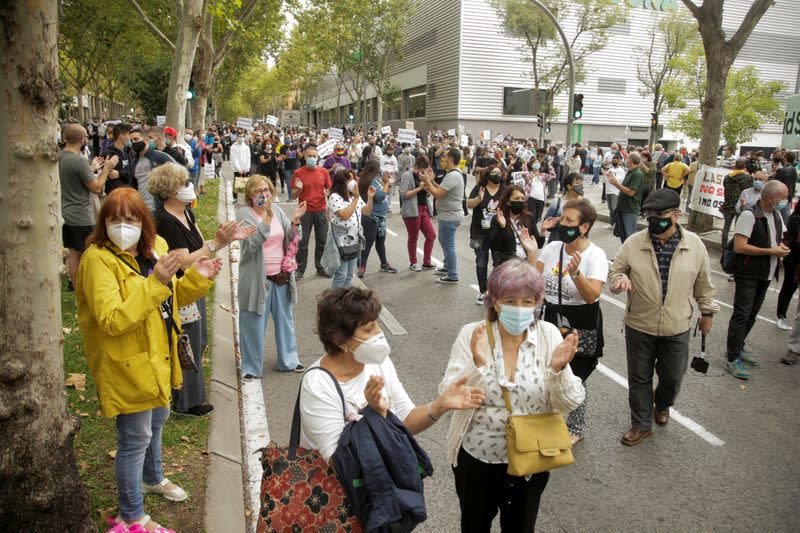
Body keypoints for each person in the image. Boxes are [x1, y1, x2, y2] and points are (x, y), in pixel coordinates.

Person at [76, 188, 220, 532]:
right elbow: (112, 318)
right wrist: (154, 281)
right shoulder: (97, 260)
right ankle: (132, 516)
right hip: (126, 364)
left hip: (160, 356)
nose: (123, 226)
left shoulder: (154, 249)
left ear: (144, 222)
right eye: (115, 219)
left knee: (158, 421)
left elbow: (170, 295)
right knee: (134, 438)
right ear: (103, 222)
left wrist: (200, 275)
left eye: (131, 219)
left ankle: (152, 478)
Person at [440, 259, 584, 532]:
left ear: (537, 303)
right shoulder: (472, 334)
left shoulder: (547, 335)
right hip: (477, 459)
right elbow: (448, 393)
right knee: (473, 526)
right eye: (510, 300)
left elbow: (572, 400)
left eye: (527, 301)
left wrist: (558, 369)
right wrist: (477, 364)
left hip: (531, 460)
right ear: (494, 301)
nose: (520, 309)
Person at [299, 286, 484, 466]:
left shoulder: (378, 362)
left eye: (377, 323)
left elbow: (406, 420)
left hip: (380, 486)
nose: (379, 333)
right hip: (340, 492)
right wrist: (377, 415)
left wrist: (440, 405)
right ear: (341, 341)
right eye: (369, 328)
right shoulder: (318, 385)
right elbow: (339, 463)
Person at [608, 189, 718, 446]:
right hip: (639, 323)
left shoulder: (695, 245)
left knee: (672, 378)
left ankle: (663, 404)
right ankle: (641, 424)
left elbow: (704, 284)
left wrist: (708, 312)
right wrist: (619, 281)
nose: (654, 220)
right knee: (639, 378)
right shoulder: (634, 243)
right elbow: (615, 273)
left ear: (676, 216)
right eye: (650, 215)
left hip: (677, 325)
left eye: (660, 215)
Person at [148, 162, 253, 414]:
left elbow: (199, 246)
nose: (190, 186)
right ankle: (186, 402)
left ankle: (183, 393)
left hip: (195, 284)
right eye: (184, 183)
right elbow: (182, 261)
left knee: (199, 340)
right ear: (170, 190)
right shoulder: (164, 221)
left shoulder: (186, 213)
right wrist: (218, 243)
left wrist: (224, 241)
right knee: (188, 342)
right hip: (181, 287)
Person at [536, 199, 606, 444]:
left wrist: (576, 274)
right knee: (549, 370)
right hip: (551, 318)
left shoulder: (595, 255)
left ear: (584, 227)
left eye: (568, 221)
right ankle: (547, 419)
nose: (562, 224)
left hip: (580, 321)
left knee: (576, 376)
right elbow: (534, 282)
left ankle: (574, 427)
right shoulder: (552, 248)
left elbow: (591, 295)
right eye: (562, 218)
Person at [238, 175, 308, 380]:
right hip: (256, 280)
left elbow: (292, 237)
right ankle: (250, 366)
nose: (263, 194)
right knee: (253, 323)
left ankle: (289, 360)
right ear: (250, 195)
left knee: (285, 321)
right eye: (258, 191)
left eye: (266, 189)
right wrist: (265, 221)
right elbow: (250, 247)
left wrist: (295, 220)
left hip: (281, 278)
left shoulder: (277, 211)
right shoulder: (245, 214)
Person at [725, 180, 789, 379]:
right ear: (771, 198)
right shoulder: (749, 214)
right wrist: (771, 251)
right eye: (783, 198)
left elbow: (778, 238)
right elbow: (740, 246)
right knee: (742, 314)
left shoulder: (776, 215)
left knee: (752, 314)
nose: (785, 202)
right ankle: (732, 357)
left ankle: (740, 345)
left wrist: (782, 248)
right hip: (749, 273)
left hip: (766, 273)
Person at [60, 123, 119, 284]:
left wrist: (91, 169)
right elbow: (96, 187)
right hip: (82, 216)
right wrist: (107, 168)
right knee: (90, 254)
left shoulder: (61, 157)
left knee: (73, 253)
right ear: (83, 139)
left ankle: (77, 287)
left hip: (66, 214)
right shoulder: (78, 160)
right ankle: (87, 287)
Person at [420, 147, 465, 284]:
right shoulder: (453, 174)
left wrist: (427, 181)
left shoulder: (453, 175)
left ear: (451, 159)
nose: (442, 159)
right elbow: (441, 189)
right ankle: (447, 267)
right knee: (445, 243)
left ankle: (452, 275)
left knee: (448, 245)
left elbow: (438, 194)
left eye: (444, 157)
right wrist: (432, 181)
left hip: (450, 216)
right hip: (448, 215)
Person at [291, 145, 332, 279]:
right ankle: (300, 270)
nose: (312, 158)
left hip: (320, 211)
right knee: (302, 242)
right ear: (304, 156)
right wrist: (299, 189)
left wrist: (328, 193)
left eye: (314, 156)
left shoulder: (324, 172)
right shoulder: (298, 172)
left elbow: (329, 189)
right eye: (309, 156)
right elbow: (293, 196)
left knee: (322, 241)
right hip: (305, 212)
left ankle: (320, 267)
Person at [329, 169, 375, 288]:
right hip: (341, 239)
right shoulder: (335, 197)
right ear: (341, 182)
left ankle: (344, 301)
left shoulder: (355, 196)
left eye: (353, 178)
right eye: (349, 179)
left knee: (350, 274)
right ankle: (333, 303)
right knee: (341, 274)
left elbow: (366, 211)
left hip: (354, 238)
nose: (353, 182)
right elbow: (344, 215)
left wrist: (370, 198)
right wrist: (355, 199)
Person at [467, 166, 505, 303]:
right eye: (494, 172)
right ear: (488, 175)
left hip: (499, 234)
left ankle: (493, 289)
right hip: (480, 233)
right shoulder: (480, 188)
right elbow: (469, 204)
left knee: (499, 265)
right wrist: (478, 199)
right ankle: (483, 291)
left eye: (500, 173)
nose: (497, 175)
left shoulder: (505, 190)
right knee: (481, 264)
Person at [487, 185, 544, 267]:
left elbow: (538, 244)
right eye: (516, 198)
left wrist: (543, 231)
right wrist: (502, 227)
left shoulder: (529, 218)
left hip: (526, 264)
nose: (520, 201)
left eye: (522, 198)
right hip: (507, 266)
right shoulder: (498, 218)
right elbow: (493, 246)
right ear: (508, 202)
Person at [356, 160, 396, 276]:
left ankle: (384, 263)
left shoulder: (376, 179)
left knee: (380, 241)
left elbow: (384, 192)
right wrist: (386, 183)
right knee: (368, 243)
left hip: (381, 216)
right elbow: (379, 196)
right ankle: (362, 267)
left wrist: (387, 183)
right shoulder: (370, 181)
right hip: (371, 217)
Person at [399, 155, 437, 272]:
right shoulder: (407, 176)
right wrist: (420, 188)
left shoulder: (422, 175)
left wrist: (428, 184)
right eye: (423, 170)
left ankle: (427, 262)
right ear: (417, 166)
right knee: (413, 237)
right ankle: (413, 262)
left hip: (424, 208)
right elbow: (404, 195)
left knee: (431, 235)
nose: (424, 172)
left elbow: (427, 193)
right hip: (411, 210)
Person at [128, 128, 174, 212]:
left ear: (146, 140)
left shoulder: (160, 157)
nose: (133, 142)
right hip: (141, 210)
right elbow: (132, 186)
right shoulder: (133, 163)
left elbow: (179, 175)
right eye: (131, 141)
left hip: (159, 209)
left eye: (136, 139)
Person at [606, 151, 645, 242]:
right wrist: (614, 180)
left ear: (631, 160)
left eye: (627, 158)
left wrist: (616, 184)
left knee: (630, 236)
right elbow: (625, 187)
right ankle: (625, 255)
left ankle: (631, 255)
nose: (625, 160)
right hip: (623, 208)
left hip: (630, 209)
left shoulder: (637, 174)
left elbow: (631, 192)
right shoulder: (630, 172)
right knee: (624, 235)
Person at [720, 158, 753, 249]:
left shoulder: (727, 177)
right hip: (740, 205)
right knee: (738, 229)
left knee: (726, 228)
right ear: (744, 166)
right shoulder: (747, 177)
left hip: (728, 204)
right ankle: (734, 247)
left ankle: (724, 248)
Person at [773, 151, 797, 225]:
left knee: (777, 221)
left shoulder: (782, 170)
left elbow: (774, 183)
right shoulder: (793, 169)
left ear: (785, 158)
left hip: (781, 198)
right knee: (785, 221)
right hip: (789, 198)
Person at [602, 155, 624, 228]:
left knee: (615, 209)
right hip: (608, 191)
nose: (614, 161)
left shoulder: (621, 170)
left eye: (616, 160)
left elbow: (619, 181)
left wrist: (610, 176)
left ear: (619, 161)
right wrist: (604, 174)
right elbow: (605, 180)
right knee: (610, 209)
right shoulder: (609, 170)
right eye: (613, 159)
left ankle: (618, 224)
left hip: (615, 192)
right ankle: (611, 223)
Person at [230, 134, 251, 201]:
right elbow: (233, 158)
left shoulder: (246, 147)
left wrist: (246, 168)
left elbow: (248, 158)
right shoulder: (233, 147)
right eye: (239, 136)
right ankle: (235, 198)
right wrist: (238, 169)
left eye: (242, 137)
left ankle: (247, 199)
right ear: (237, 137)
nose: (241, 138)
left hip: (245, 169)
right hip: (237, 169)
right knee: (237, 183)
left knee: (246, 184)